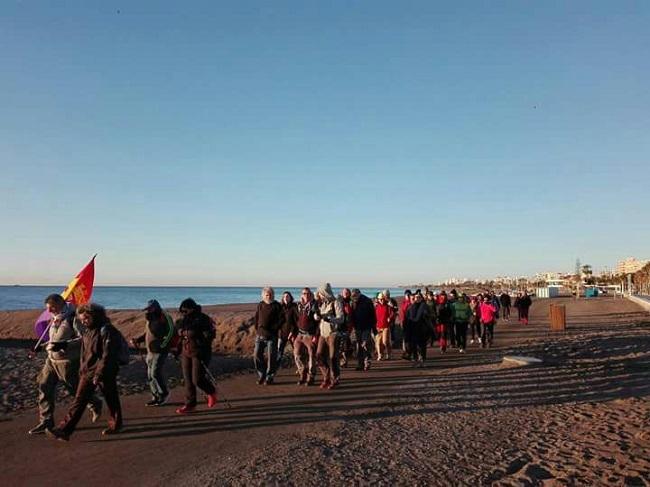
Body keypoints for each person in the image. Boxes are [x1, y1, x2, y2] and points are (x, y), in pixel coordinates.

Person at [46, 303, 123, 441]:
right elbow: (83, 344)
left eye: (86, 318)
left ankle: (116, 424)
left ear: (95, 316)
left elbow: (108, 355)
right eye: (82, 319)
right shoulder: (89, 330)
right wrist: (63, 345)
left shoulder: (107, 330)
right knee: (79, 400)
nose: (83, 322)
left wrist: (100, 373)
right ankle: (64, 430)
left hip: (105, 371)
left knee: (111, 398)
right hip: (88, 371)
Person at [28, 294, 102, 435]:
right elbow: (53, 339)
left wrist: (64, 345)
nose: (50, 311)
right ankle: (46, 422)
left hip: (67, 362)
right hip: (51, 360)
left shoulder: (73, 318)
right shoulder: (54, 318)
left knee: (74, 389)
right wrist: (41, 347)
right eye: (48, 309)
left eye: (52, 308)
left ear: (60, 304)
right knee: (44, 386)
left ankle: (94, 402)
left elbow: (84, 339)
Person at [175, 298, 217, 414]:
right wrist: (177, 348)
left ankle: (211, 392)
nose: (183, 313)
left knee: (197, 379)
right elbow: (179, 333)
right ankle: (190, 404)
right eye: (181, 311)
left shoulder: (203, 319)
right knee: (188, 380)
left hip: (200, 353)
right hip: (186, 352)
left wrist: (200, 344)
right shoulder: (184, 320)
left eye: (185, 310)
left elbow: (210, 336)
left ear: (192, 308)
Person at [131, 299, 175, 406]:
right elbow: (148, 333)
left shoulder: (165, 317)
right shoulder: (150, 319)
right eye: (147, 309)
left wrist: (163, 345)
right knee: (150, 375)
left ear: (155, 308)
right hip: (150, 351)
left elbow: (171, 333)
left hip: (160, 351)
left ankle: (164, 393)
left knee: (155, 373)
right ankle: (155, 396)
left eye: (150, 309)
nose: (148, 311)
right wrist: (138, 340)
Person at [315, 283, 345, 389]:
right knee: (319, 356)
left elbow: (341, 318)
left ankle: (334, 379)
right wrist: (317, 317)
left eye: (321, 293)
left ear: (325, 293)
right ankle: (326, 376)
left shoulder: (335, 303)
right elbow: (319, 318)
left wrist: (330, 319)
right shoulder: (322, 304)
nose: (319, 295)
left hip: (333, 333)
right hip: (323, 333)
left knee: (333, 358)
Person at [253, 287, 284, 385]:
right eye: (267, 294)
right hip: (260, 335)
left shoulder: (277, 305)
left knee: (271, 357)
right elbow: (257, 317)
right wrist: (257, 328)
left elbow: (282, 319)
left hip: (272, 336)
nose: (268, 296)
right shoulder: (260, 304)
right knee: (257, 355)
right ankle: (261, 374)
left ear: (273, 295)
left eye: (270, 294)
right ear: (263, 295)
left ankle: (269, 377)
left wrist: (274, 328)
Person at [292, 287, 320, 385]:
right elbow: (295, 320)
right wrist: (293, 333)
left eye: (308, 293)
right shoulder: (299, 305)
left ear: (311, 294)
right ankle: (302, 372)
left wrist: (316, 335)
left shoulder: (314, 305)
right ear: (301, 295)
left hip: (310, 334)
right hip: (300, 334)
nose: (306, 295)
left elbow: (318, 321)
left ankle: (311, 376)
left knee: (312, 356)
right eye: (304, 293)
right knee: (297, 354)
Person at [351, 288, 377, 371]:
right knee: (359, 346)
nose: (354, 297)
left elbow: (373, 315)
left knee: (365, 345)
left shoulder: (367, 301)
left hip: (366, 327)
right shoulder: (353, 302)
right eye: (353, 296)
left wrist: (373, 327)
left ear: (359, 294)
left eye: (355, 295)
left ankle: (367, 362)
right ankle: (360, 364)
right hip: (357, 327)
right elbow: (352, 315)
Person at [406, 291, 430, 367]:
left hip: (422, 329)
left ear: (421, 298)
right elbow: (407, 319)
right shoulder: (410, 307)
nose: (417, 299)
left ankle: (422, 360)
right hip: (413, 329)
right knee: (413, 346)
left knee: (422, 346)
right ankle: (416, 360)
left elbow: (428, 317)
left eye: (419, 297)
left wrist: (426, 315)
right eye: (416, 297)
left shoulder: (424, 306)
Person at [278, 291, 298, 366]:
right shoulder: (280, 307)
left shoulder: (294, 306)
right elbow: (278, 321)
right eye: (284, 297)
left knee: (296, 352)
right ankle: (275, 369)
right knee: (279, 352)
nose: (286, 298)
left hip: (292, 333)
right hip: (282, 334)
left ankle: (300, 368)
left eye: (287, 296)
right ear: (282, 298)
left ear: (290, 298)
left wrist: (292, 332)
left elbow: (296, 321)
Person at [374, 292, 394, 360]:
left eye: (382, 299)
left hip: (386, 326)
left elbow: (392, 313)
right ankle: (380, 355)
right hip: (378, 327)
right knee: (378, 342)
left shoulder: (388, 306)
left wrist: (390, 318)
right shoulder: (376, 307)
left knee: (385, 341)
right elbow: (372, 315)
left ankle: (388, 354)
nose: (381, 300)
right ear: (378, 300)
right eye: (380, 299)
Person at [338, 288, 354, 368]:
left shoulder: (351, 302)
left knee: (343, 344)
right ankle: (343, 360)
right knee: (341, 344)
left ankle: (344, 361)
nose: (346, 294)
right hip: (339, 326)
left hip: (347, 326)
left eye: (347, 293)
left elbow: (352, 314)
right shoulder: (339, 302)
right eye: (344, 292)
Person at [398, 290, 412, 358]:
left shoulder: (411, 303)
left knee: (409, 338)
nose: (408, 296)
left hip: (410, 322)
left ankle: (408, 352)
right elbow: (401, 313)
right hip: (403, 322)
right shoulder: (403, 303)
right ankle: (405, 351)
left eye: (409, 295)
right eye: (407, 295)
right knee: (404, 338)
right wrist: (401, 321)